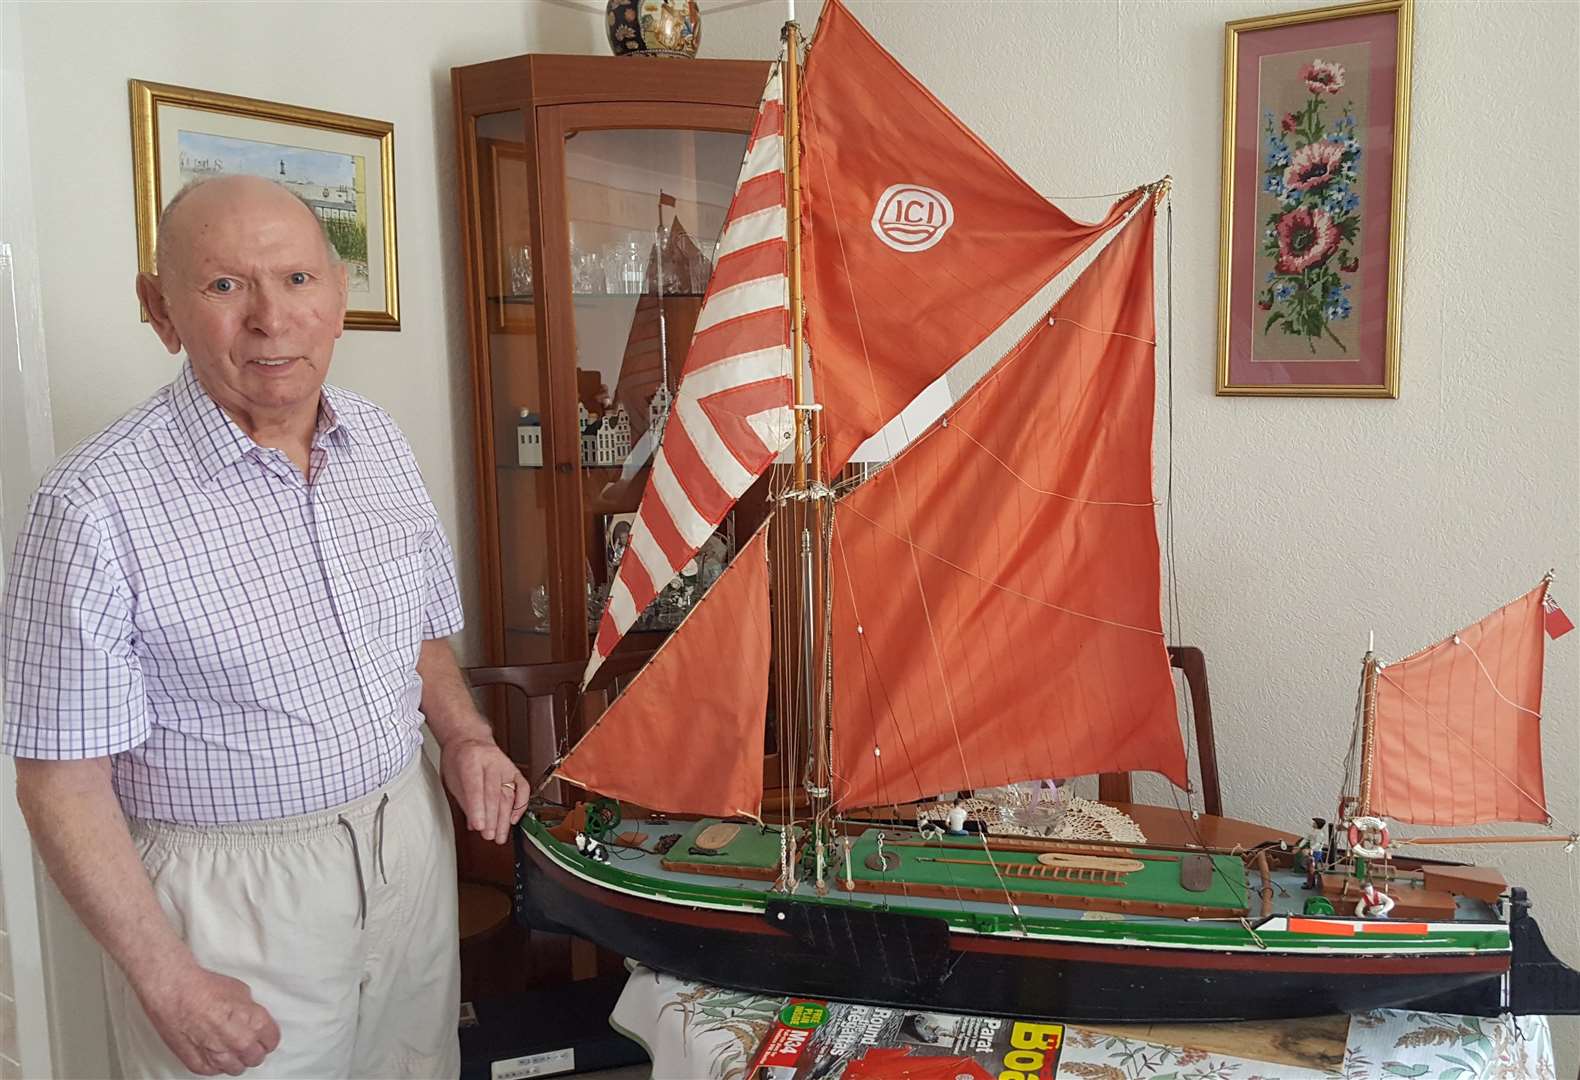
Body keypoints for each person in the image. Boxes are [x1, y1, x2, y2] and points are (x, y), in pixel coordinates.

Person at [1, 175, 527, 1078]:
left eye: (295, 280)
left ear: (338, 298)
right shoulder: (91, 506)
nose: (270, 319)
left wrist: (465, 735)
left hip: (404, 842)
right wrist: (167, 980)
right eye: (223, 286)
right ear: (159, 310)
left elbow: (419, 637)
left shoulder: (379, 443)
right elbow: (60, 786)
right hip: (231, 900)